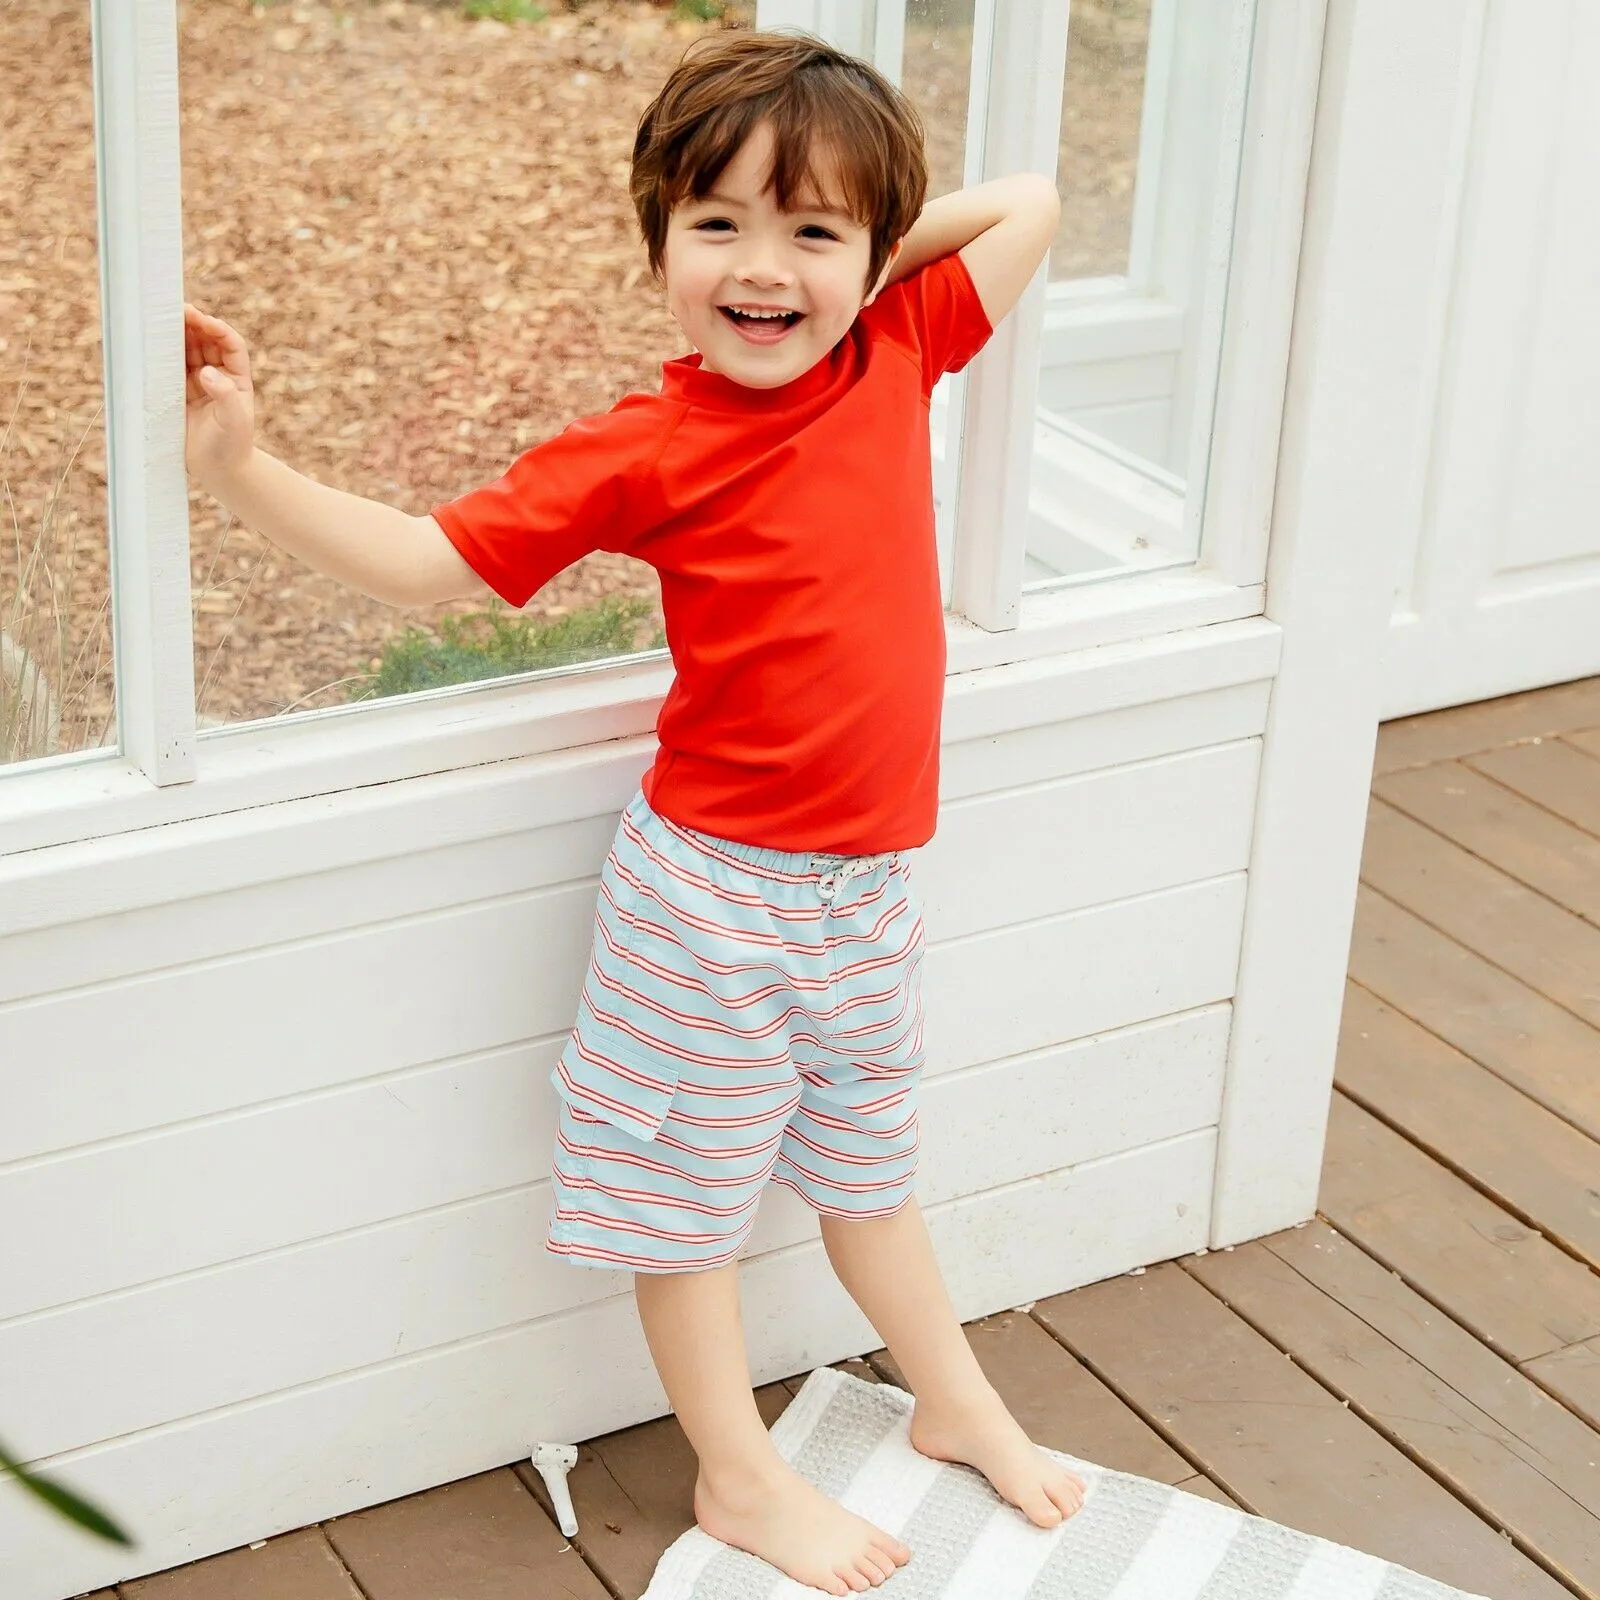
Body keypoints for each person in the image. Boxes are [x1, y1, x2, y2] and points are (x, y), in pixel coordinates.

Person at [184, 29, 1081, 1595]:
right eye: (719, 223)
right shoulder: (651, 446)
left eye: (811, 232)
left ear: (870, 258)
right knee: (693, 1207)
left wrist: (863, 257)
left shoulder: (891, 350)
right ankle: (738, 1479)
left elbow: (1029, 201)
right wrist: (245, 470)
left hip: (866, 890)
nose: (763, 269)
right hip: (711, 900)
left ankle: (957, 1404)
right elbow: (419, 563)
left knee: (874, 1171)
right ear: (657, 235)